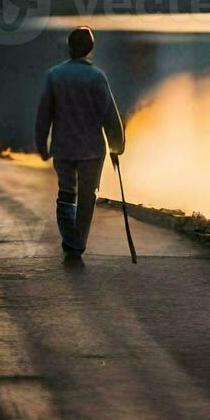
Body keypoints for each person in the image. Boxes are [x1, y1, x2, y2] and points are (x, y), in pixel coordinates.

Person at [34, 27, 126, 257]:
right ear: (90, 48)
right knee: (87, 197)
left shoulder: (54, 76)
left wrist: (41, 145)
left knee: (66, 193)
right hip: (92, 151)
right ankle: (78, 243)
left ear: (70, 46)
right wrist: (116, 146)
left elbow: (44, 114)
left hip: (63, 149)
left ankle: (70, 239)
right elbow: (109, 115)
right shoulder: (96, 77)